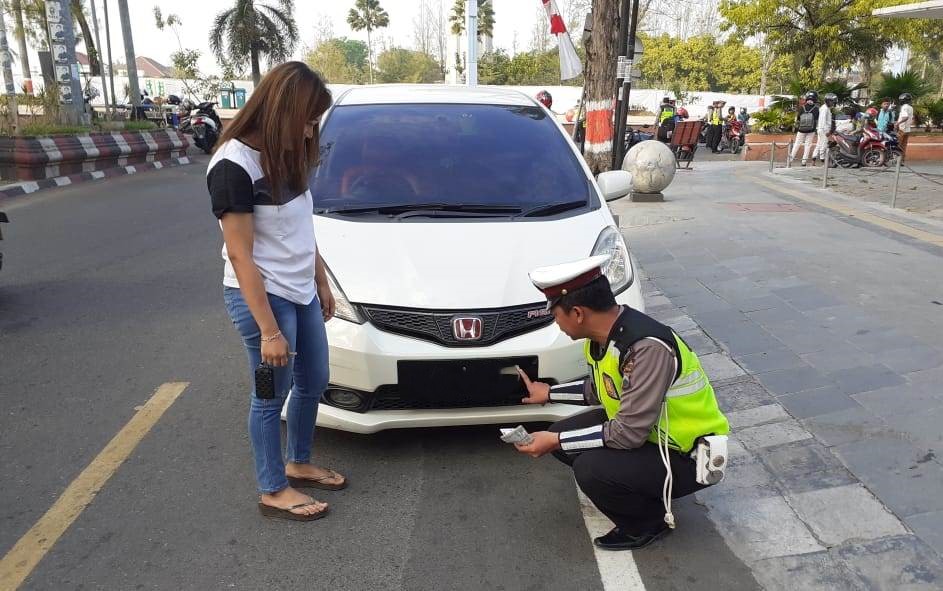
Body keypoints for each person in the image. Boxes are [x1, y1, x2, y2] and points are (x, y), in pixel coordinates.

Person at [513, 256, 730, 551]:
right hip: (652, 436)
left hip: (686, 455)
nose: (556, 323)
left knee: (589, 466)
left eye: (556, 315)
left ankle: (648, 523)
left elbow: (627, 434)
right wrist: (548, 394)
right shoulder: (604, 337)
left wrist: (555, 439)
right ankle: (640, 487)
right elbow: (602, 389)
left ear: (577, 312)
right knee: (566, 440)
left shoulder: (647, 348)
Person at [208, 62, 345, 522]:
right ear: (282, 111)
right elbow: (242, 256)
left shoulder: (286, 155)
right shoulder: (233, 166)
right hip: (263, 300)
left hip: (301, 290)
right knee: (270, 395)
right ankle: (272, 486)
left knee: (315, 381)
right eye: (306, 120)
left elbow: (301, 228)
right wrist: (269, 331)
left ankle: (298, 461)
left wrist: (321, 280)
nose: (310, 131)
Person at [790, 91, 820, 166]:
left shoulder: (801, 108)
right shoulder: (816, 109)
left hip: (801, 130)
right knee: (808, 145)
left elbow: (798, 119)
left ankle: (790, 160)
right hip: (811, 130)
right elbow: (816, 119)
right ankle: (804, 162)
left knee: (797, 144)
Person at [813, 93, 836, 164]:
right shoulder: (825, 109)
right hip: (823, 130)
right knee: (824, 144)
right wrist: (826, 131)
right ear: (828, 101)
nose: (832, 103)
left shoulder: (826, 108)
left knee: (819, 144)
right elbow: (823, 120)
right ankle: (823, 161)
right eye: (831, 101)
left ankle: (813, 159)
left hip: (822, 129)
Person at [896, 93, 914, 161]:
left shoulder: (904, 107)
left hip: (902, 129)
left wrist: (898, 123)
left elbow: (905, 117)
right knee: (904, 146)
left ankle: (898, 160)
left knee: (898, 145)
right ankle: (902, 160)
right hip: (907, 130)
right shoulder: (911, 107)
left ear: (903, 100)